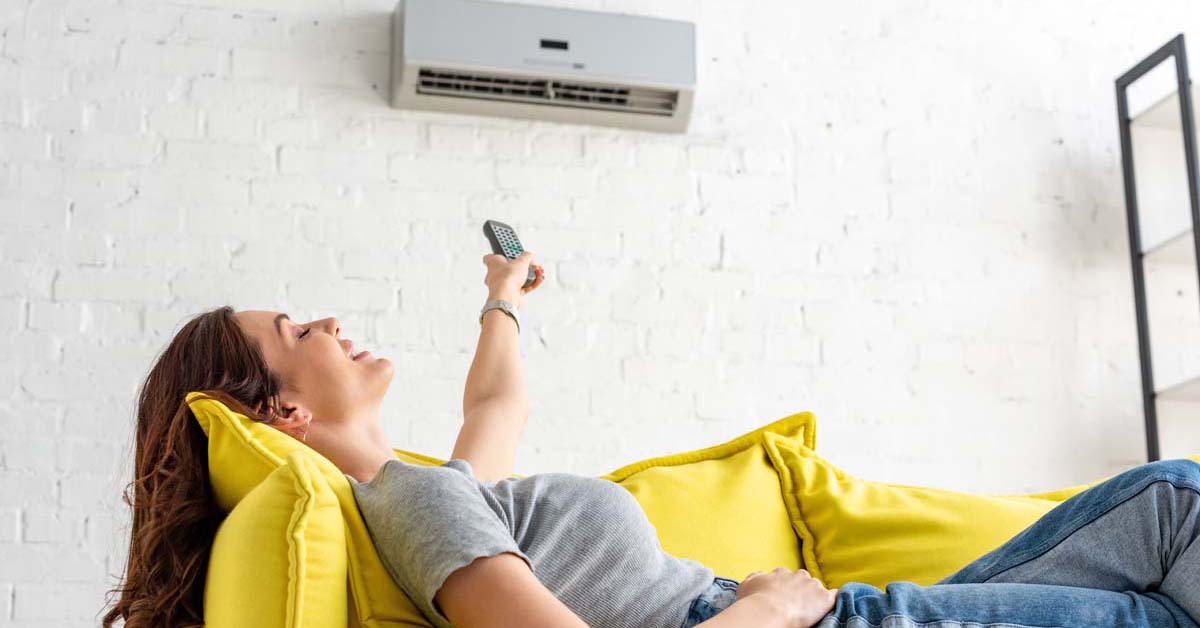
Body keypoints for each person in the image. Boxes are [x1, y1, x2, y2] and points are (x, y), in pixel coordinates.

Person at [100, 250, 1200, 628]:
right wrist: (773, 602)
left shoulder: (417, 497)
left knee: (1168, 544)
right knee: (1178, 508)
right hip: (819, 621)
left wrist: (504, 295)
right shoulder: (415, 508)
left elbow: (498, 414)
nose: (330, 322)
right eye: (299, 332)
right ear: (282, 414)